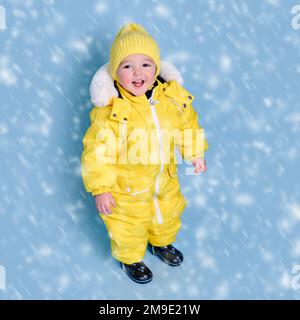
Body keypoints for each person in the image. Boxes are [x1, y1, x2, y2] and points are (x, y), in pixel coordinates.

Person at [81, 23, 208, 284]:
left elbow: (188, 124)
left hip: (165, 176)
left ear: (157, 68)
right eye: (127, 66)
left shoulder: (171, 98)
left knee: (167, 211)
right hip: (127, 186)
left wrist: (195, 153)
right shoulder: (112, 111)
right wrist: (102, 187)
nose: (138, 72)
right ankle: (130, 258)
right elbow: (97, 152)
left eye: (146, 65)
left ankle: (161, 243)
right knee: (128, 224)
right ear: (115, 73)